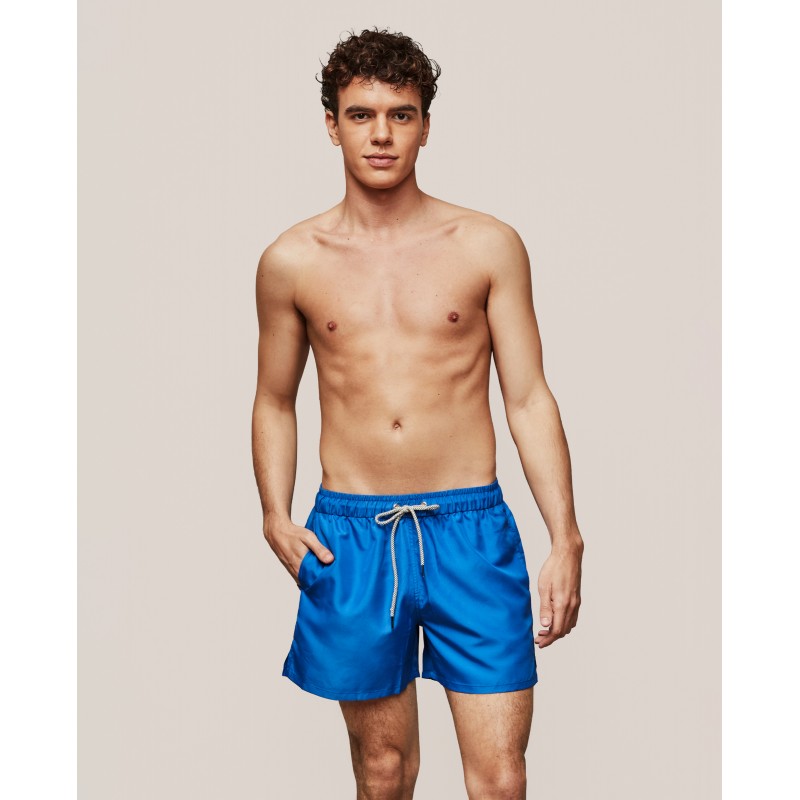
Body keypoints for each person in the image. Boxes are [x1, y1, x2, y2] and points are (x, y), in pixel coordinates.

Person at [251, 26, 584, 800]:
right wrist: (274, 514)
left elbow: (528, 396)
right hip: (352, 535)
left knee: (500, 778)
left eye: (400, 115)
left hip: (471, 530)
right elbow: (274, 398)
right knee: (383, 771)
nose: (381, 134)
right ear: (331, 124)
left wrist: (565, 534)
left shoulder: (487, 245)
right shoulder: (291, 261)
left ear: (425, 126)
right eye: (361, 115)